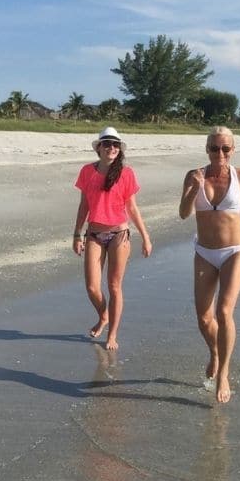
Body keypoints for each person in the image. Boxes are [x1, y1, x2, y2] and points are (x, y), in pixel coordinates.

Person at [179, 126, 240, 403]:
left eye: (226, 149)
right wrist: (195, 188)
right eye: (215, 148)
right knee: (204, 318)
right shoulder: (193, 175)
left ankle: (223, 373)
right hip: (204, 252)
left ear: (233, 150)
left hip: (235, 252)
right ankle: (215, 352)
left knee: (224, 312)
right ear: (207, 149)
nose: (220, 154)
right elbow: (182, 213)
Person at [73, 126, 153, 350]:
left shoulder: (126, 174)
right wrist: (76, 234)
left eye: (115, 144)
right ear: (99, 148)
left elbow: (133, 208)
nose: (111, 148)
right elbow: (84, 205)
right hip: (94, 234)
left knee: (114, 286)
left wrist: (145, 237)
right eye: (107, 144)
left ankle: (112, 334)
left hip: (119, 234)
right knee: (92, 287)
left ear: (120, 149)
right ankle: (104, 316)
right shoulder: (87, 172)